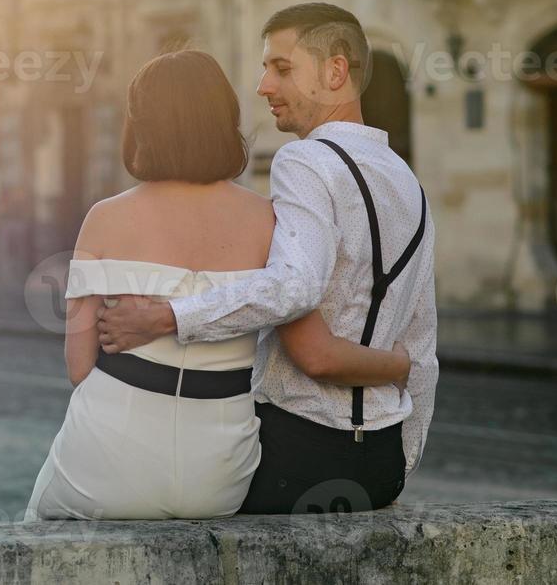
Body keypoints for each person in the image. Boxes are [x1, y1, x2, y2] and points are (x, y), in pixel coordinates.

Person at [24, 48, 411, 520]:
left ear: (141, 125)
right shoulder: (269, 219)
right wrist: (397, 364)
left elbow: (79, 367)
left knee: (39, 527)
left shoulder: (103, 219)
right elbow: (308, 345)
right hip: (221, 474)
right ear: (225, 120)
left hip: (107, 460)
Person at [96, 3, 438, 515]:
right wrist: (401, 463)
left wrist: (168, 316)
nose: (263, 86)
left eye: (281, 68)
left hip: (298, 453)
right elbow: (422, 343)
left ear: (335, 71)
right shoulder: (406, 179)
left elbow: (295, 287)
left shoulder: (304, 160)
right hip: (381, 461)